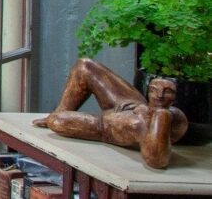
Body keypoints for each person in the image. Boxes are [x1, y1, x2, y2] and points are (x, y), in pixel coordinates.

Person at [33, 58, 188, 168]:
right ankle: (60, 109)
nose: (159, 96)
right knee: (84, 65)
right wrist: (142, 109)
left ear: (174, 97)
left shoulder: (165, 118)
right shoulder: (172, 114)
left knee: (56, 121)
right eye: (154, 90)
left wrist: (161, 115)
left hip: (103, 125)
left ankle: (55, 116)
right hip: (129, 105)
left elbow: (156, 159)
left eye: (166, 92)